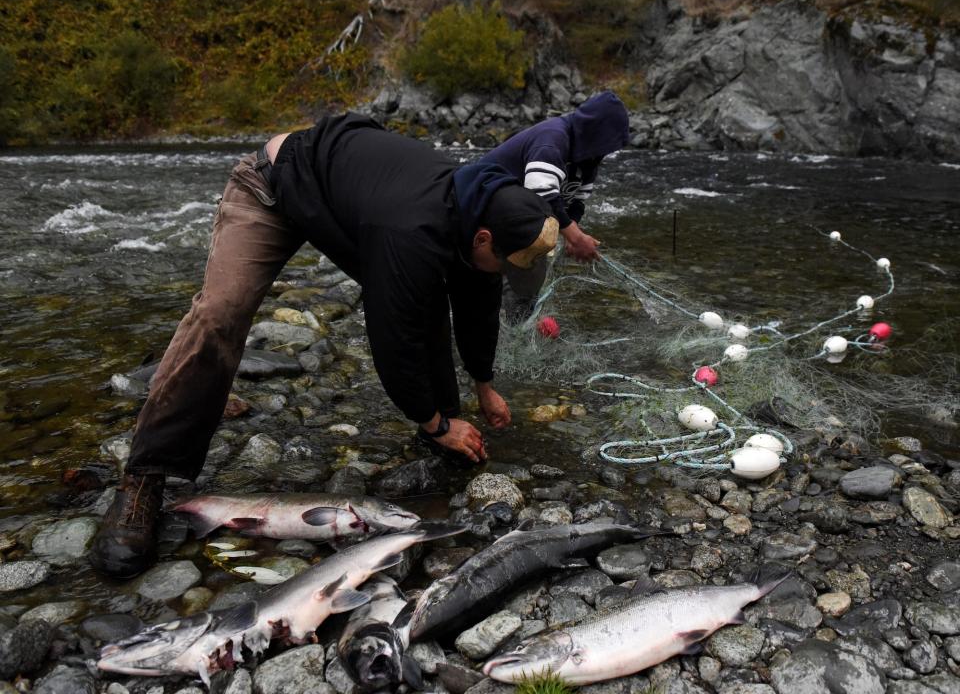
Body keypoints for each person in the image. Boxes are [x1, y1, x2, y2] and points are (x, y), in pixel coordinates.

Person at [89, 113, 558, 578]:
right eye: (506, 261)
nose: (507, 273)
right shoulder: (410, 229)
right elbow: (391, 338)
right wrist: (436, 423)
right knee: (220, 315)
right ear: (483, 237)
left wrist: (483, 384)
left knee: (431, 293)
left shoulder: (480, 209)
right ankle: (143, 479)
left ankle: (437, 423)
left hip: (344, 204)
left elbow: (476, 305)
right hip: (272, 187)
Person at [479, 90, 630, 264]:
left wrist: (572, 233)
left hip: (514, 221)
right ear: (595, 134)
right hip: (478, 208)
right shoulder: (552, 139)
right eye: (609, 144)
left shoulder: (588, 160)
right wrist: (576, 237)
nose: (608, 152)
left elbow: (576, 203)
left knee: (530, 274)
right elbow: (540, 195)